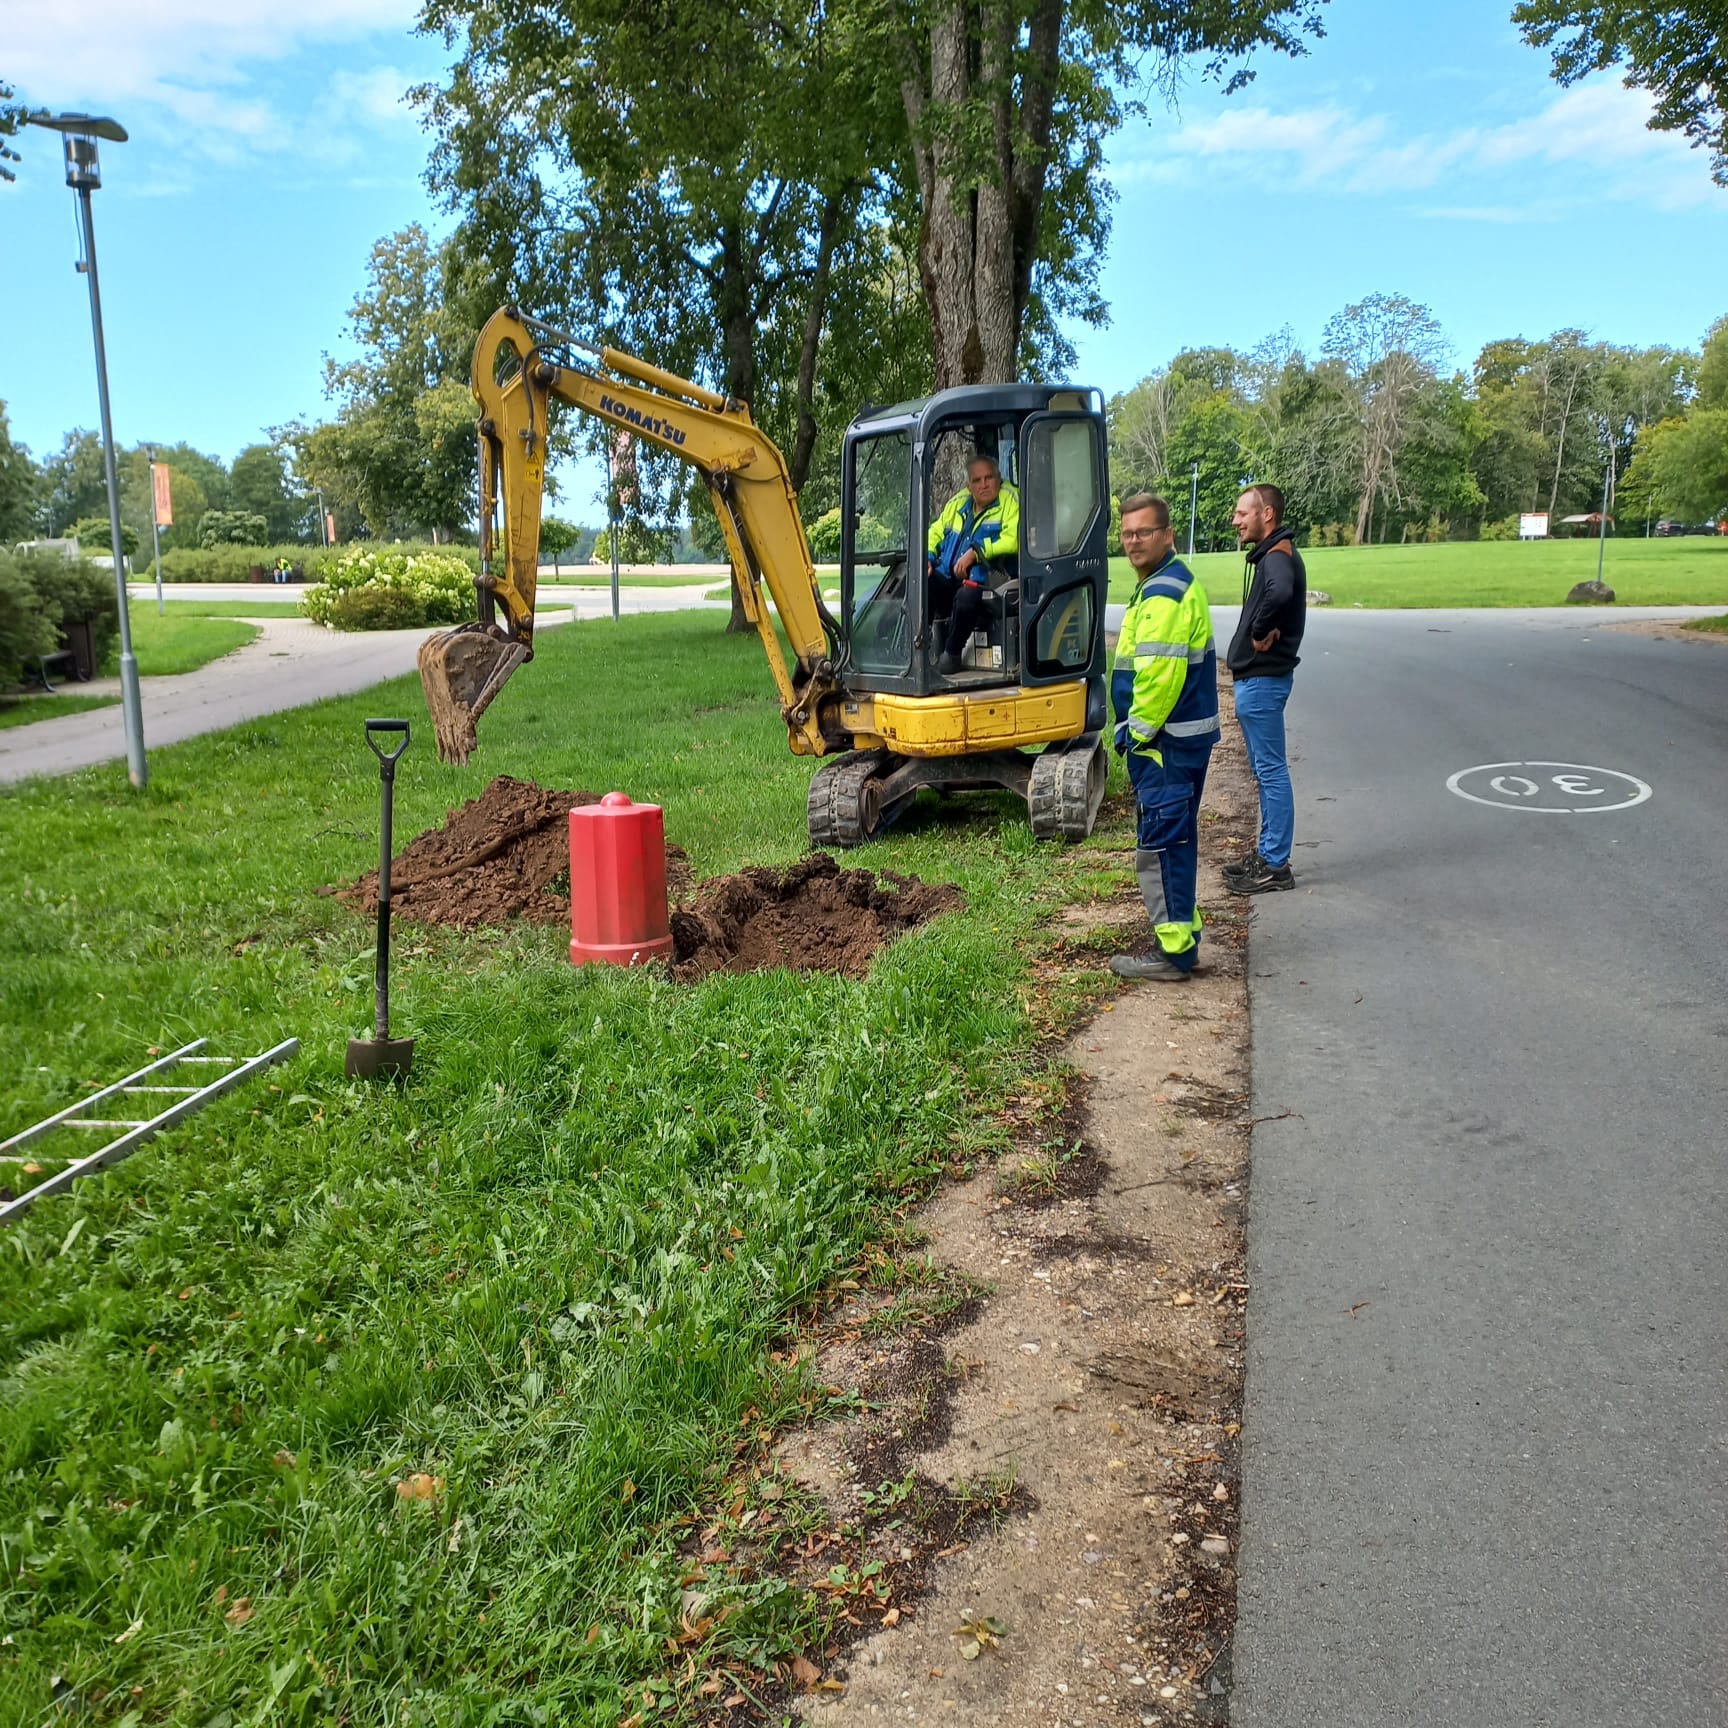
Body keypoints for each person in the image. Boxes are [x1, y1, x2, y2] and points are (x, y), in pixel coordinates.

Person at [1107, 494, 1220, 983]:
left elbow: (1157, 677)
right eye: (1128, 533)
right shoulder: (1165, 582)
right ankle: (1184, 933)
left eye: (1144, 532)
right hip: (1178, 742)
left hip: (1164, 745)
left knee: (1161, 844)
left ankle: (1173, 953)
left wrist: (1136, 735)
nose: (1134, 541)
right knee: (1178, 838)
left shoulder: (1163, 594)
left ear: (1167, 534)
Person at [1225, 483, 1305, 895]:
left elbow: (1281, 591)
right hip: (1258, 682)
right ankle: (1267, 853)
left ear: (1266, 514)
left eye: (1242, 513)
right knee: (1264, 771)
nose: (1235, 520)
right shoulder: (1275, 554)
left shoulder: (1278, 558)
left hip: (1263, 681)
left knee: (1271, 772)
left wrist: (1258, 632)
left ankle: (1275, 864)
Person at [926, 455, 1020, 674]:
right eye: (977, 480)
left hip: (989, 585)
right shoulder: (958, 502)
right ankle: (919, 647)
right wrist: (928, 557)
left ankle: (952, 654)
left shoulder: (1010, 499)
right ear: (969, 485)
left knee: (967, 595)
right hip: (951, 579)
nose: (984, 484)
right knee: (923, 582)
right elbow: (935, 531)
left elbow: (1012, 540)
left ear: (999, 478)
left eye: (989, 478)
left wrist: (976, 553)